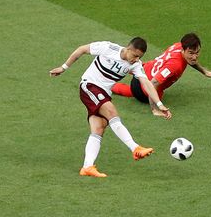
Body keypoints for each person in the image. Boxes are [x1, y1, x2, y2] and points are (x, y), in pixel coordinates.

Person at [50, 37, 171, 178]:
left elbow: (147, 83)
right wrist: (63, 67)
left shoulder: (135, 65)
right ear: (128, 48)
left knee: (99, 127)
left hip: (104, 94)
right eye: (135, 55)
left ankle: (87, 167)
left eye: (140, 57)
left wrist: (160, 105)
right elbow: (82, 49)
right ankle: (135, 148)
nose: (136, 59)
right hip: (89, 86)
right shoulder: (107, 48)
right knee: (112, 112)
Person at [111, 32, 211, 106]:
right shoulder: (175, 65)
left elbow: (190, 60)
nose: (195, 57)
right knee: (157, 93)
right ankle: (110, 85)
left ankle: (109, 79)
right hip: (143, 87)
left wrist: (204, 71)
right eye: (191, 53)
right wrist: (156, 107)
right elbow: (153, 83)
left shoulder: (178, 46)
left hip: (144, 69)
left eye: (197, 52)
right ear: (183, 50)